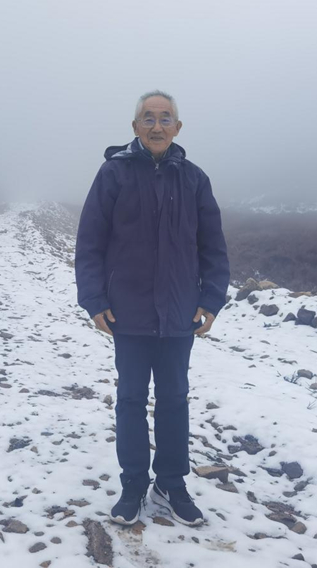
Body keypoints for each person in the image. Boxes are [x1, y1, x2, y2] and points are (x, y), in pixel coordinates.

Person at [75, 91, 230, 527]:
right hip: (127, 312)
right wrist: (94, 300)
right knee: (130, 399)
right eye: (148, 118)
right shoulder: (113, 174)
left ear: (177, 128)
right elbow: (90, 241)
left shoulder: (194, 179)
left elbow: (213, 246)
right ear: (135, 127)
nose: (157, 126)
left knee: (174, 399)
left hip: (180, 313)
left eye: (165, 119)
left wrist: (211, 299)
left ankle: (171, 483)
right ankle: (133, 484)